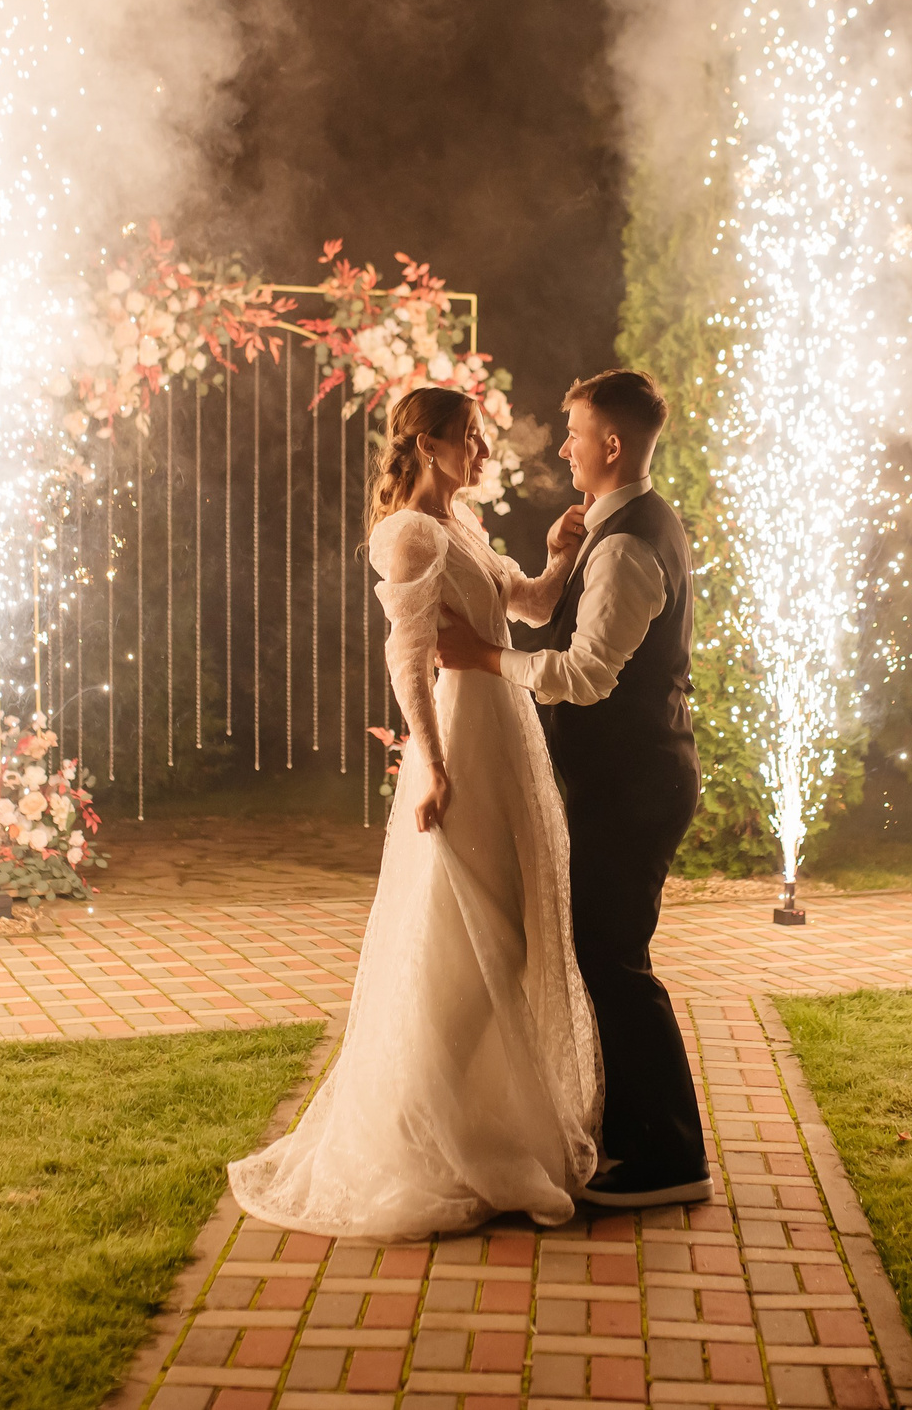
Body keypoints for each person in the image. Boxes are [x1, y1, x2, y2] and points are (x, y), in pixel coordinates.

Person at [227, 385, 602, 1238]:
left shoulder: (463, 527)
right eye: (470, 439)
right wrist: (430, 765)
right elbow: (407, 658)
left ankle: (461, 1115)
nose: (483, 453)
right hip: (464, 740)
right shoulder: (408, 534)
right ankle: (423, 1126)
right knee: (476, 938)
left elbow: (534, 609)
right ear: (428, 446)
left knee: (504, 941)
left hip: (508, 732)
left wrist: (556, 552)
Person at [437, 367, 709, 1208]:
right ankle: (640, 1136)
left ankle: (671, 1158)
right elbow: (559, 619)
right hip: (622, 780)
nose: (565, 446)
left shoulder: (629, 544)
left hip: (635, 784)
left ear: (613, 445)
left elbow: (585, 674)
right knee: (605, 953)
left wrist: (482, 659)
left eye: (576, 432)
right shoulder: (613, 527)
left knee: (613, 958)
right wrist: (561, 556)